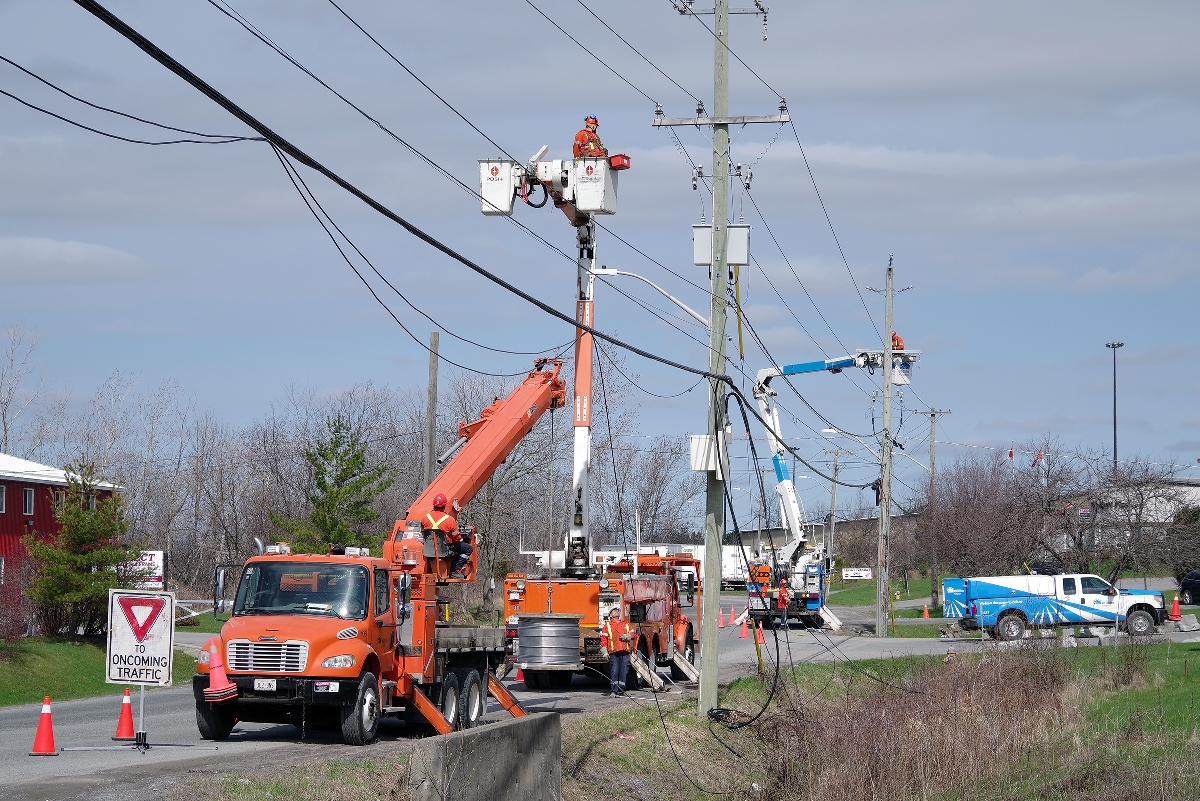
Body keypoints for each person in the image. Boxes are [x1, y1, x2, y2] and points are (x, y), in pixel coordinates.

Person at [599, 606, 633, 696]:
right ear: (611, 615)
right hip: (613, 652)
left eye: (617, 611)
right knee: (614, 671)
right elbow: (603, 640)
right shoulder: (607, 626)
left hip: (624, 651)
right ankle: (614, 691)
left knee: (624, 671)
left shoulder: (625, 624)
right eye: (614, 611)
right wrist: (605, 652)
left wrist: (628, 636)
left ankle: (622, 690)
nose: (617, 611)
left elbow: (633, 633)